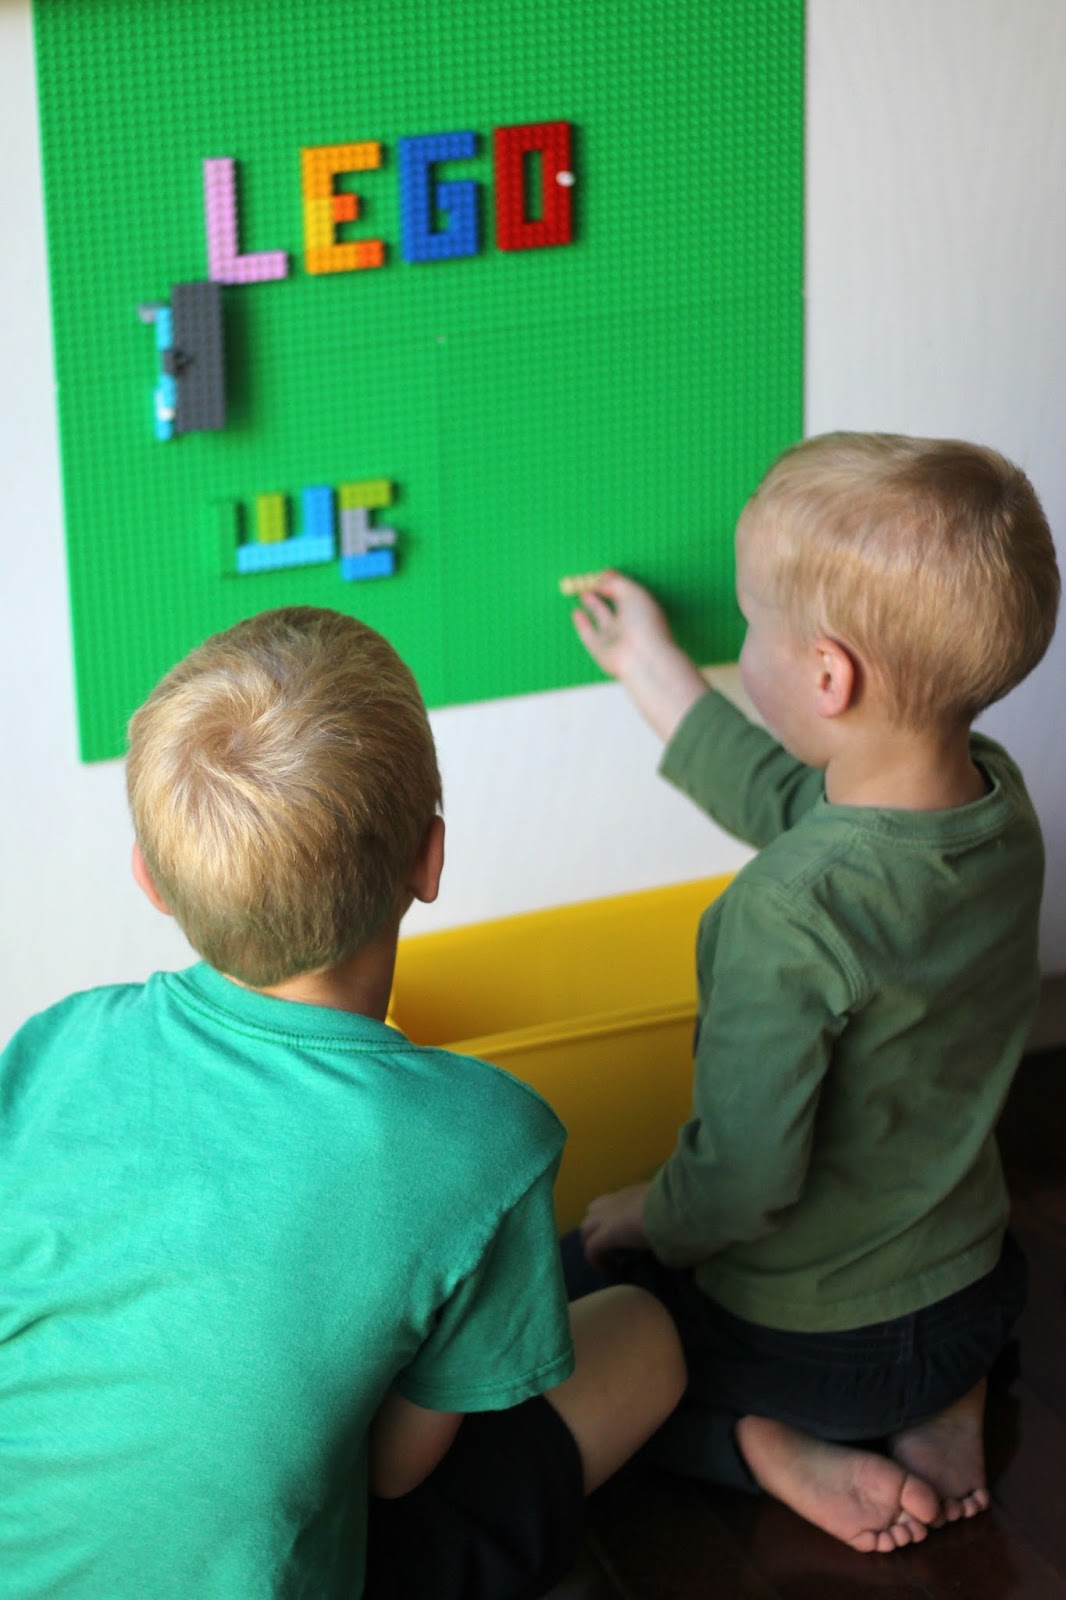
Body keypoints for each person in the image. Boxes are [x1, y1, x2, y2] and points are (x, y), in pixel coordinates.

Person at [0, 606, 685, 1600]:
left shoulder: (51, 1043)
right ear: (430, 856)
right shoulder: (490, 1137)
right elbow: (394, 1470)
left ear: (151, 880)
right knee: (645, 1336)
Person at [563, 432, 1060, 1555]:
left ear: (828, 675)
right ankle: (947, 1404)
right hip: (975, 1295)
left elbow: (738, 1182)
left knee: (576, 1327)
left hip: (811, 1346)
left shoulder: (785, 914)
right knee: (933, 1336)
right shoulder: (991, 799)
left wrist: (645, 1207)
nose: (740, 644)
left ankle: (759, 1446)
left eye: (749, 627)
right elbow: (804, 796)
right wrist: (658, 672)